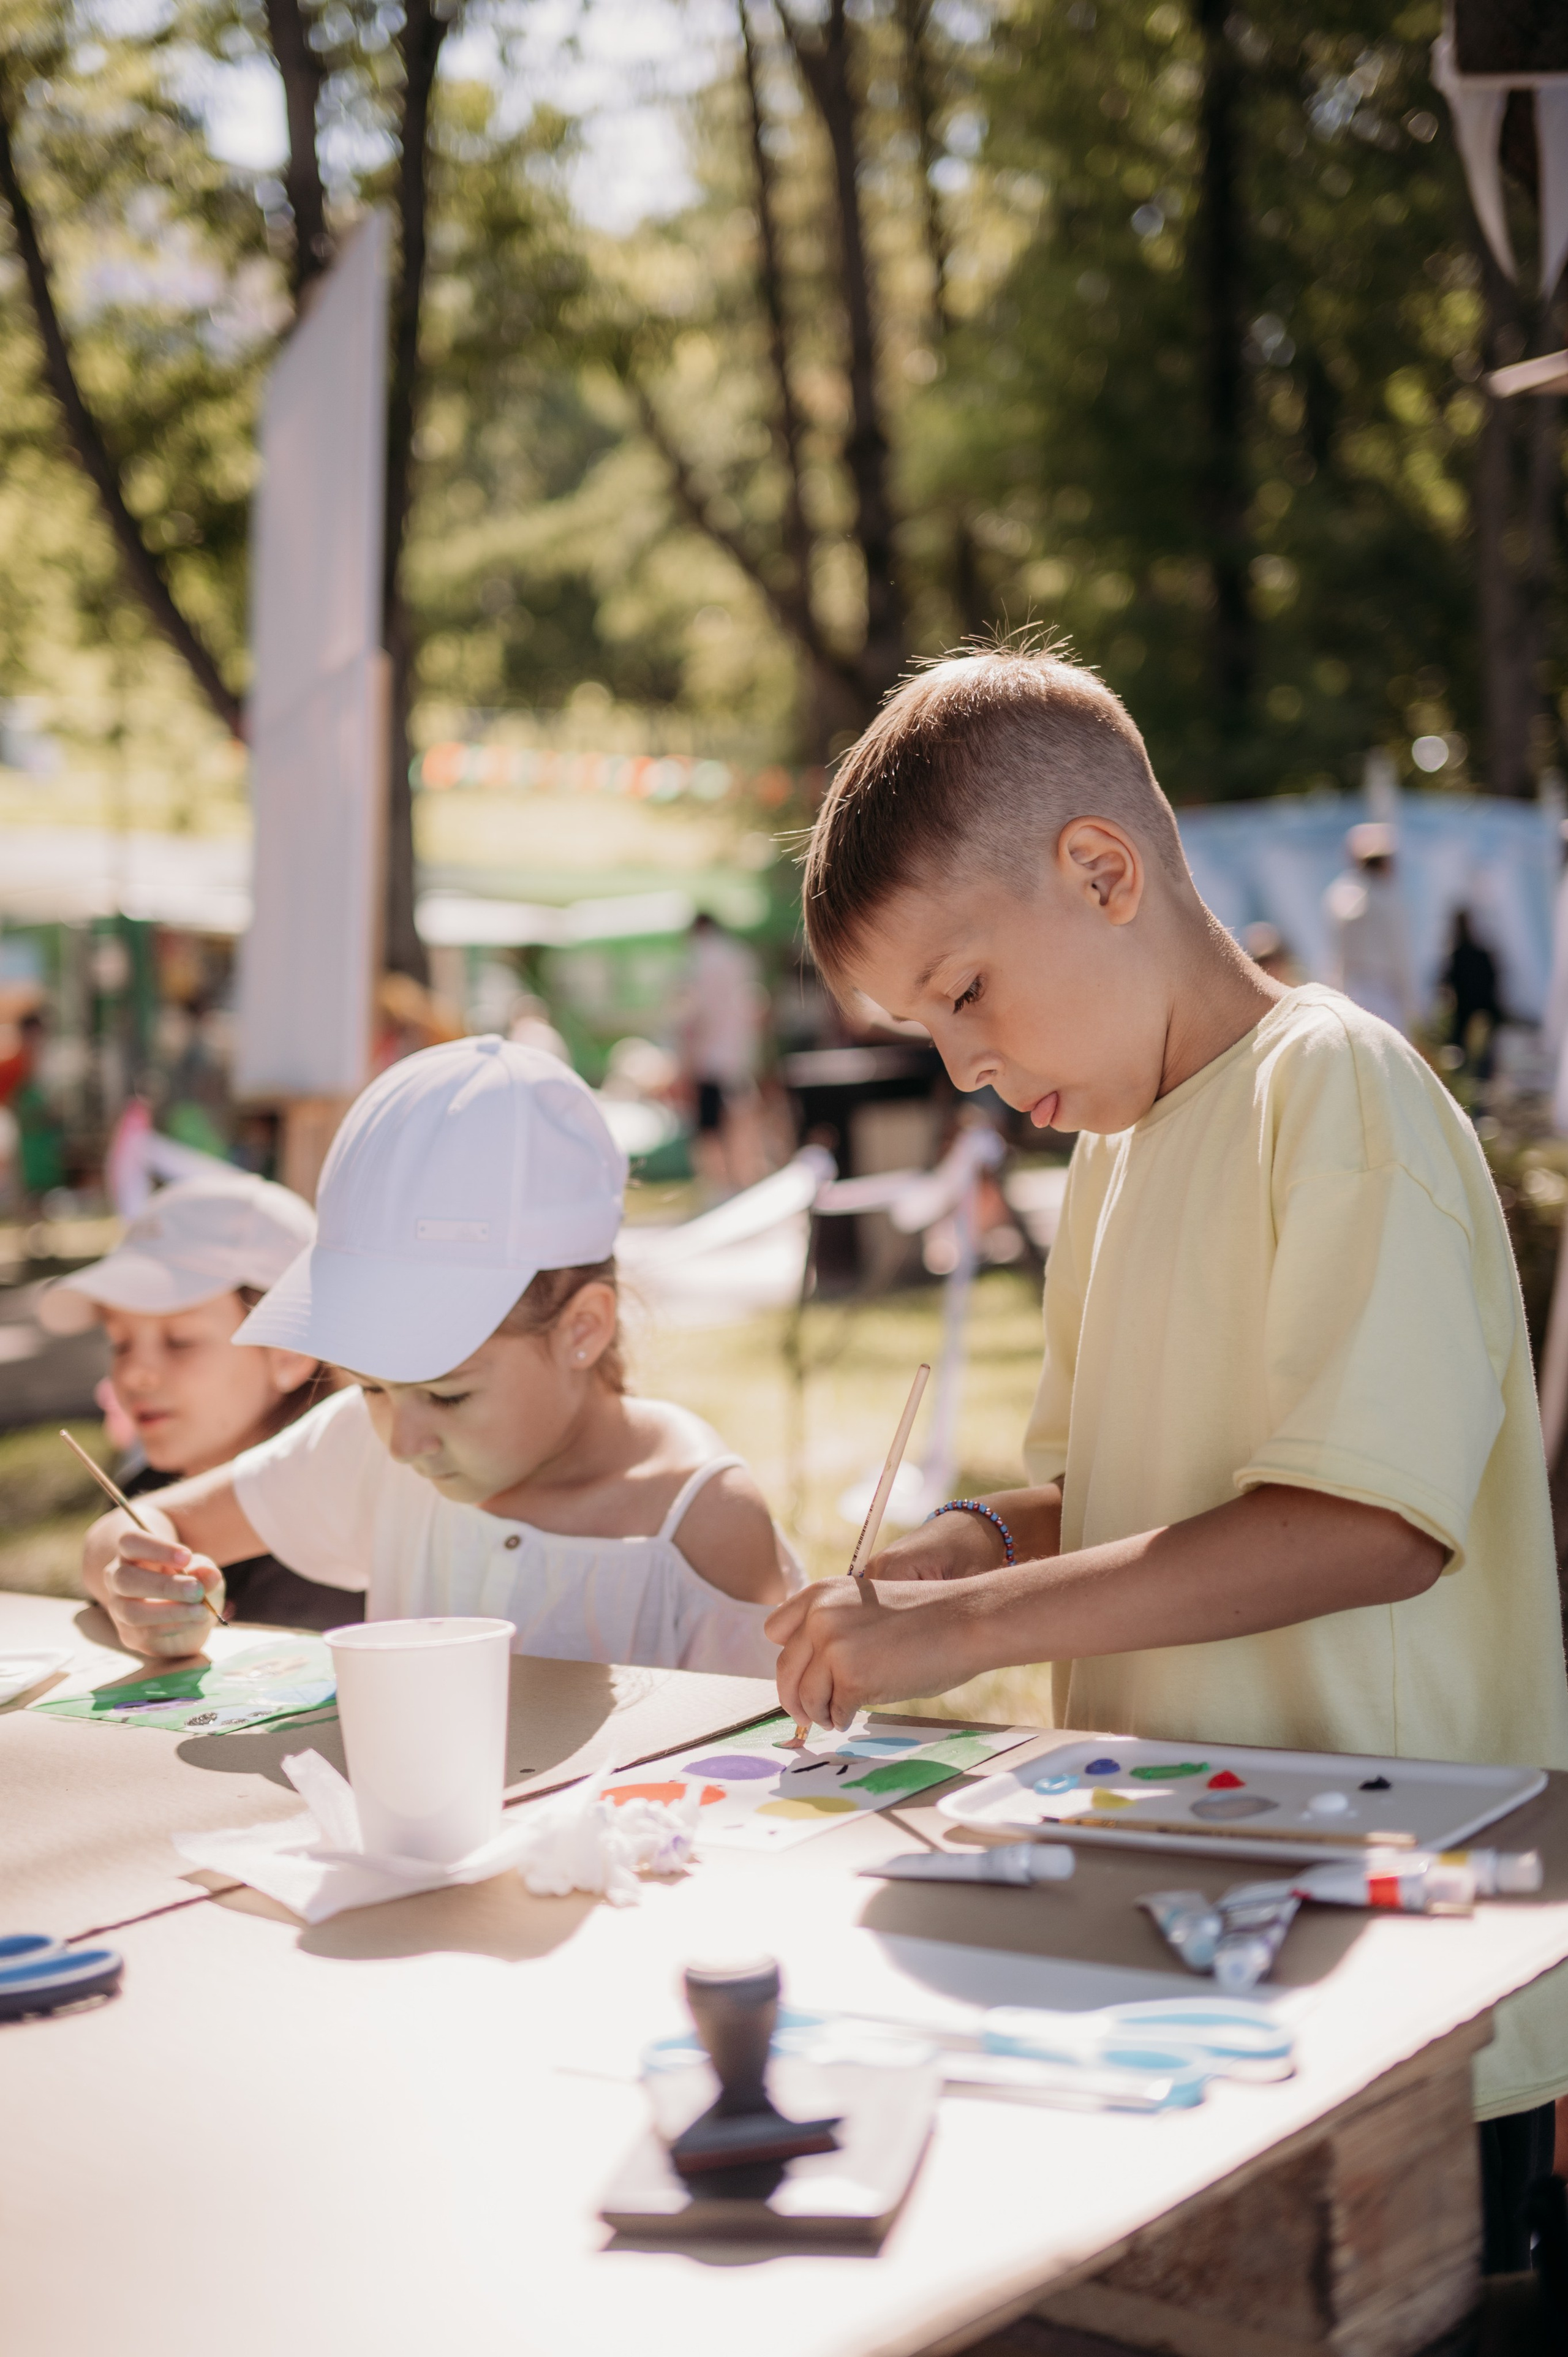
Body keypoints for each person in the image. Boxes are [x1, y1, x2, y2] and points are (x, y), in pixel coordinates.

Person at [763, 647, 1568, 2266]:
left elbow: (1366, 1525)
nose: (966, 1068)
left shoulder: (1334, 1085)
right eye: (928, 1029)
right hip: (1198, 1912)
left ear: (1103, 869)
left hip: (1399, 1943)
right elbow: (1131, 1498)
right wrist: (983, 1541)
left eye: (966, 991)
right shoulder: (1120, 1157)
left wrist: (971, 1633)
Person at [81, 1038, 801, 1677]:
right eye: (370, 1388)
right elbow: (133, 1527)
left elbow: (772, 1758)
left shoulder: (699, 1521)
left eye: (449, 1393)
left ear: (581, 1328)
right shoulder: (366, 1450)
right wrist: (138, 1577)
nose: (403, 1439)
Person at [39, 1171, 357, 1631]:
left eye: (180, 1341)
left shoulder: (346, 1492)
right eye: (120, 1342)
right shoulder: (146, 1493)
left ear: (291, 1350)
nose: (134, 1373)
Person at [678, 911, 767, 1196]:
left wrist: (687, 1060)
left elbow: (695, 1015)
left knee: (710, 1128)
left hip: (711, 1058)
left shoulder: (699, 958)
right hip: (739, 1055)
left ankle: (721, 1186)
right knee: (740, 1118)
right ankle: (746, 1181)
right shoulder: (739, 955)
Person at [1323, 820, 1418, 1035]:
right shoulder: (1388, 898)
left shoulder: (1340, 892)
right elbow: (1400, 952)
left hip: (1351, 991)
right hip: (1384, 992)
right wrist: (1411, 1001)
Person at [1442, 908, 1505, 1080]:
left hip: (1464, 1014)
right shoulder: (1482, 955)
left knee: (1464, 1063)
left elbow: (1444, 985)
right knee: (1482, 1062)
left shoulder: (1456, 956)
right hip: (1483, 1011)